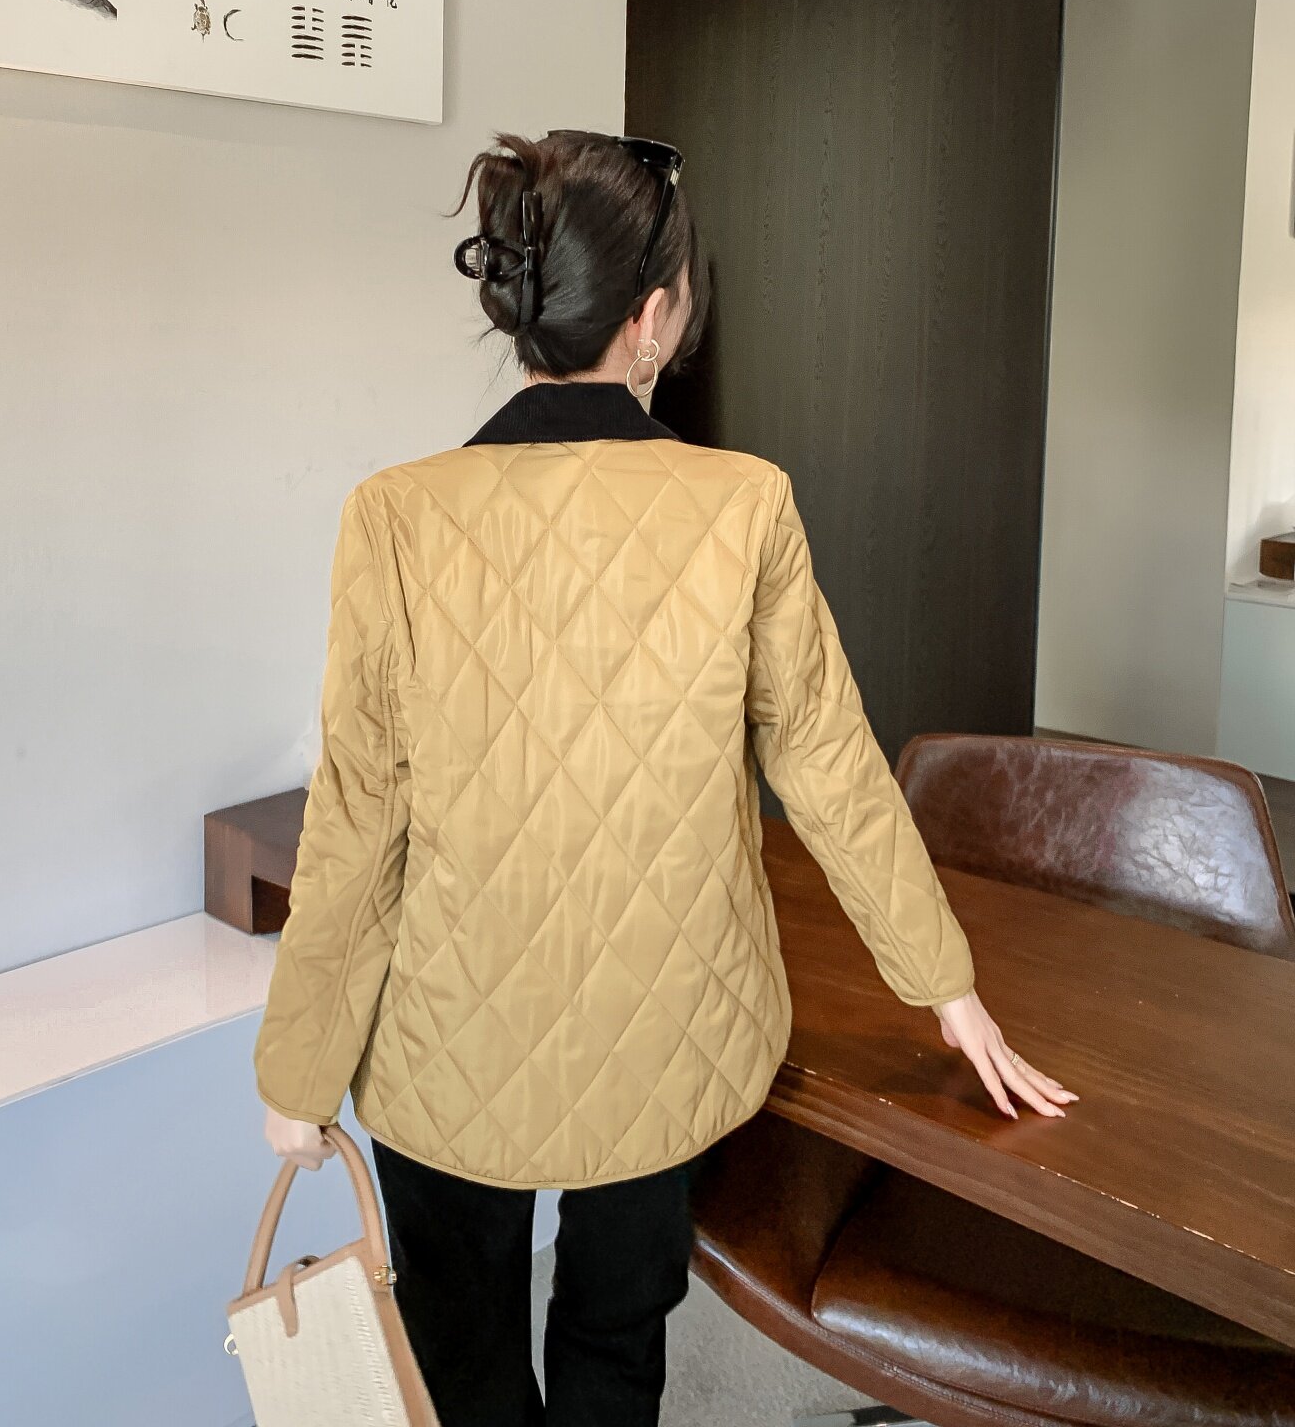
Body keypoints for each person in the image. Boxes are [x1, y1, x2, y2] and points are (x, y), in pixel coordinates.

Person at [252, 128, 1075, 1427]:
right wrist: (946, 987)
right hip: (667, 1036)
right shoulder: (745, 504)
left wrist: (298, 1077)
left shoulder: (395, 514)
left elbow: (359, 816)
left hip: (445, 1042)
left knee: (461, 1361)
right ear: (651, 319)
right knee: (617, 1343)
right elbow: (830, 765)